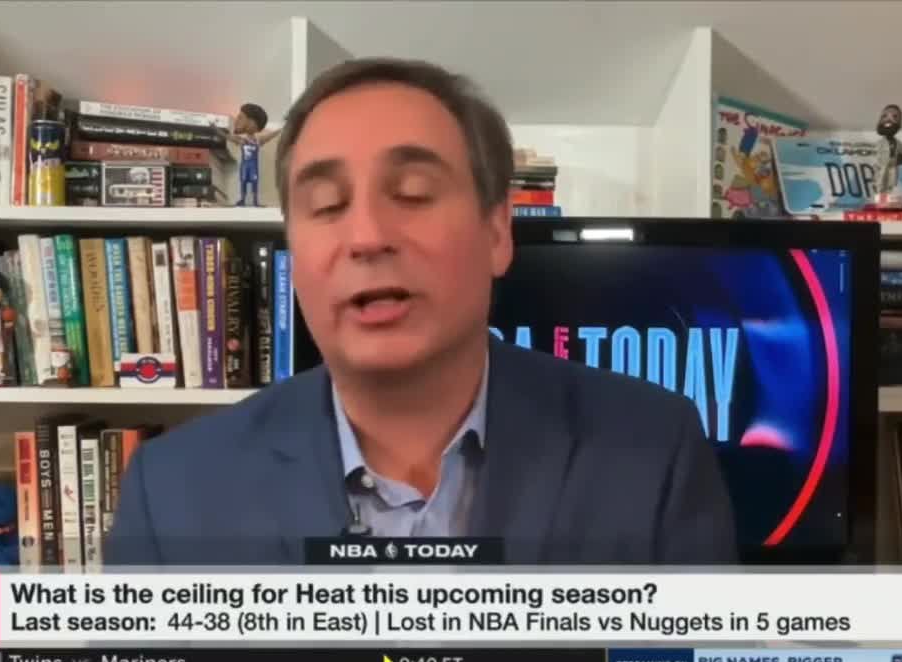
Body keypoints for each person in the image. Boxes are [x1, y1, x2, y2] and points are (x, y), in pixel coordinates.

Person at [104, 57, 736, 566]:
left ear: (497, 230)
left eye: (412, 194)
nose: (367, 236)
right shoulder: (173, 490)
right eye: (326, 205)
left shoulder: (653, 451)